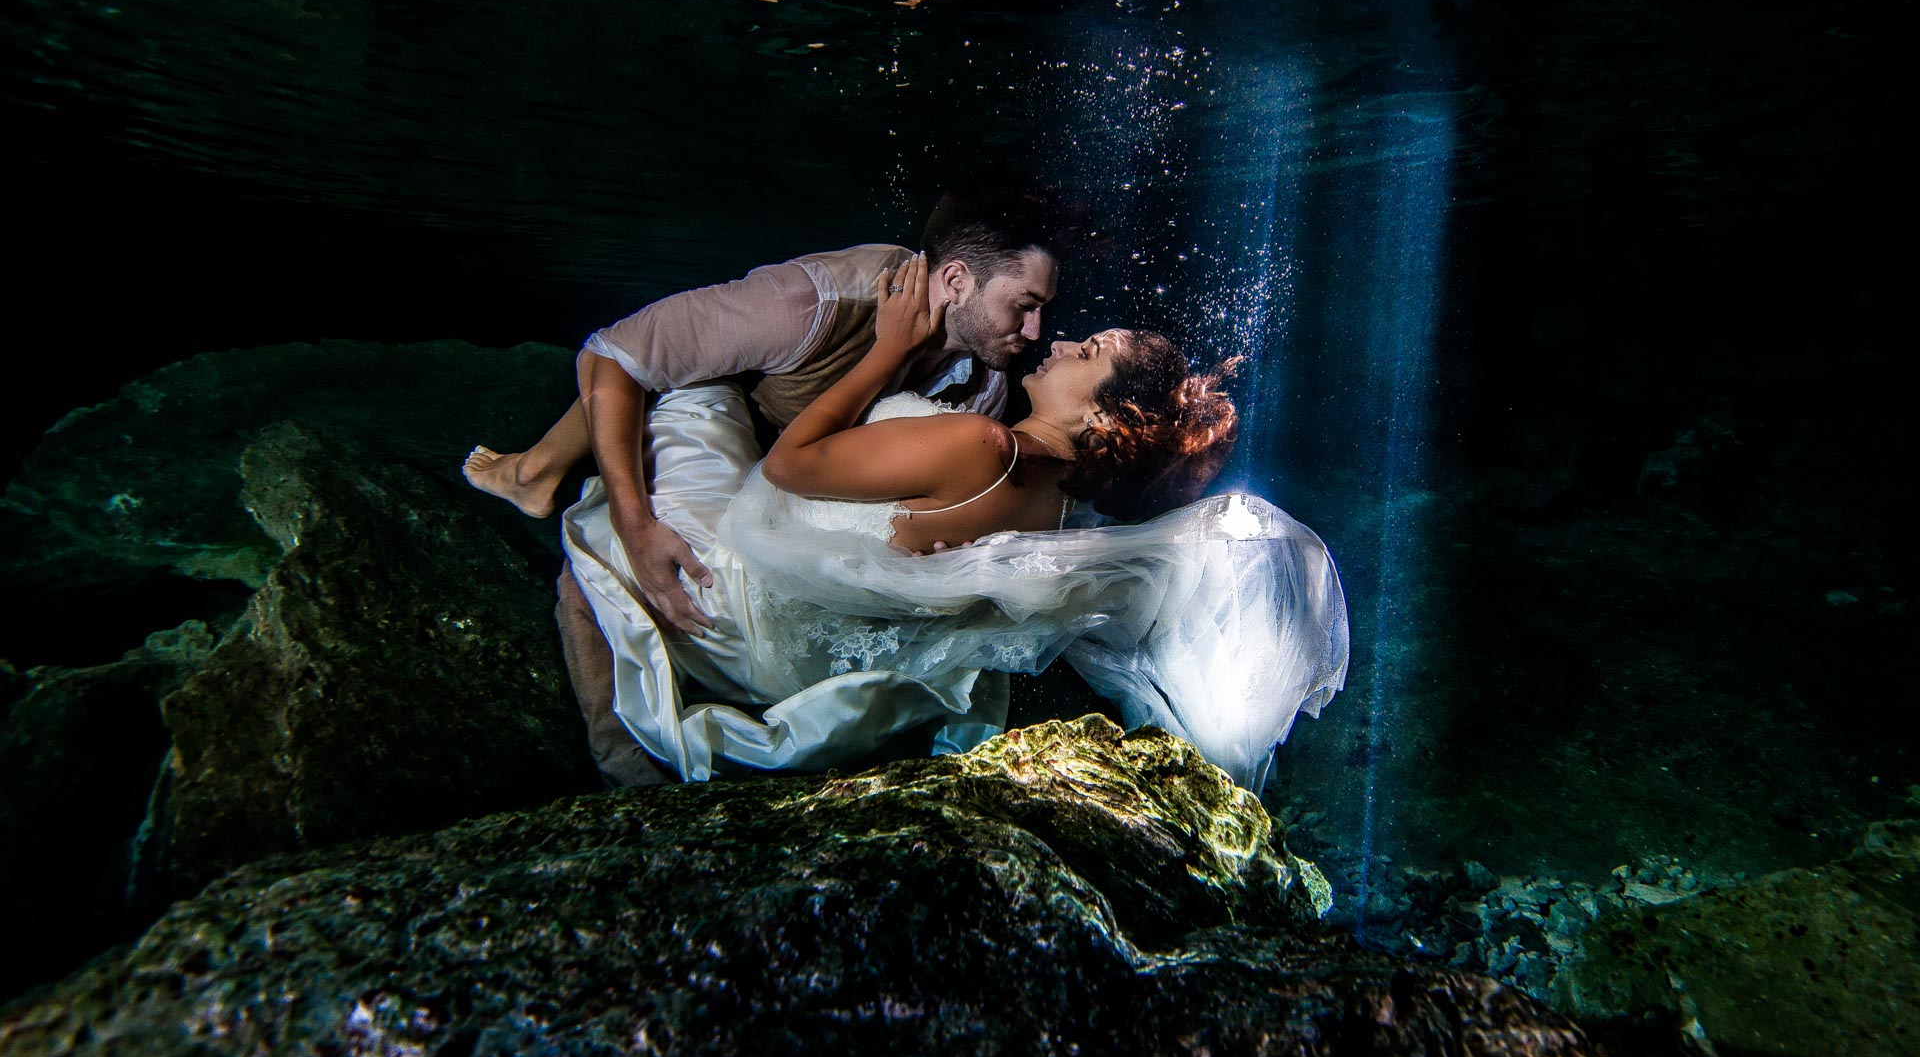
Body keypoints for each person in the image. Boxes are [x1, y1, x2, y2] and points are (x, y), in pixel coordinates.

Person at [560, 253, 1350, 792]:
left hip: (739, 607)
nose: (1065, 341)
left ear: (1109, 412)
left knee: (685, 396)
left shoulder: (986, 445)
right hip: (813, 668)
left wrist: (885, 348)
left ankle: (615, 742)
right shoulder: (1063, 508)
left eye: (1091, 350)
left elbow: (789, 468)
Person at [466, 187, 1072, 780]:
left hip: (791, 501)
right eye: (1024, 304)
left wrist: (941, 548)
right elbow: (612, 352)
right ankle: (538, 472)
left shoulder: (984, 386)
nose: (1038, 329)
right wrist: (636, 524)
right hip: (729, 438)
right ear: (958, 281)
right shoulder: (816, 300)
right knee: (632, 494)